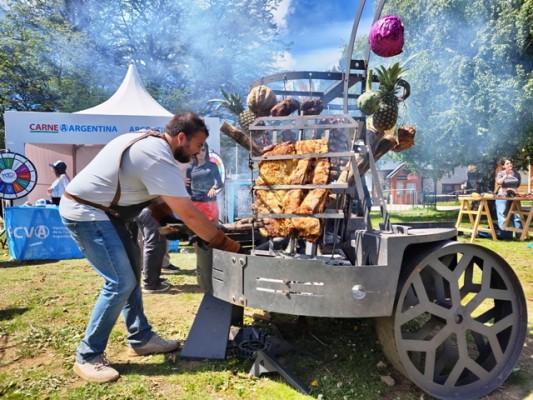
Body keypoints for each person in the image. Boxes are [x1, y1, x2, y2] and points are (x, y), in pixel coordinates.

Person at [59, 112, 240, 384]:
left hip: (110, 214)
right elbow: (188, 213)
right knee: (120, 282)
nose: (197, 152)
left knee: (130, 277)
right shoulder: (156, 154)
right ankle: (88, 356)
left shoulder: (152, 144)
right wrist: (224, 243)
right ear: (181, 137)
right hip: (86, 212)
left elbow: (159, 199)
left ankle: (141, 338)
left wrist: (165, 216)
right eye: (197, 145)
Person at [185, 142, 224, 223]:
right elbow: (187, 187)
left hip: (211, 203)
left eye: (203, 150)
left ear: (206, 151)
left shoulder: (212, 166)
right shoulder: (190, 168)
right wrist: (193, 197)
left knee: (214, 229)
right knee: (199, 231)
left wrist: (214, 188)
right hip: (196, 203)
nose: (201, 153)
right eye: (198, 151)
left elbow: (220, 183)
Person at [495, 158, 522, 234]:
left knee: (517, 214)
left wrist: (514, 190)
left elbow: (518, 183)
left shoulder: (516, 173)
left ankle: (519, 233)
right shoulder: (501, 173)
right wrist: (506, 175)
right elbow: (499, 182)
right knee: (502, 214)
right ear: (503, 166)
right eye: (507, 163)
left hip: (514, 195)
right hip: (503, 195)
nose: (510, 165)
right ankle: (504, 233)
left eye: (510, 163)